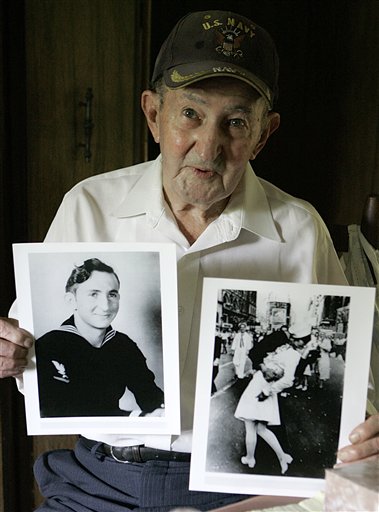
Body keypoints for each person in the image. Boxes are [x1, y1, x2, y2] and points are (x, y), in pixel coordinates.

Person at [0, 9, 378, 511]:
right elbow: (30, 357)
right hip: (101, 479)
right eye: (191, 114)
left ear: (265, 134)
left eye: (237, 122)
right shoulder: (89, 205)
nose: (209, 146)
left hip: (237, 488)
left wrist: (364, 427)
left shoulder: (300, 229)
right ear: (154, 114)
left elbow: (360, 389)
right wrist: (11, 353)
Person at [35, 257, 165, 417]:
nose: (105, 306)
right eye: (93, 294)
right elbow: (58, 412)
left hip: (120, 437)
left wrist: (161, 412)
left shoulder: (123, 346)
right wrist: (136, 417)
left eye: (112, 294)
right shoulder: (47, 346)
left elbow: (150, 395)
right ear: (71, 300)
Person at [234, 359, 293, 474]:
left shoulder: (276, 362)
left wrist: (262, 367)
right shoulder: (290, 360)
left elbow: (267, 372)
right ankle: (282, 457)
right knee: (262, 430)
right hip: (266, 394)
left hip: (256, 392)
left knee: (250, 429)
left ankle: (250, 459)